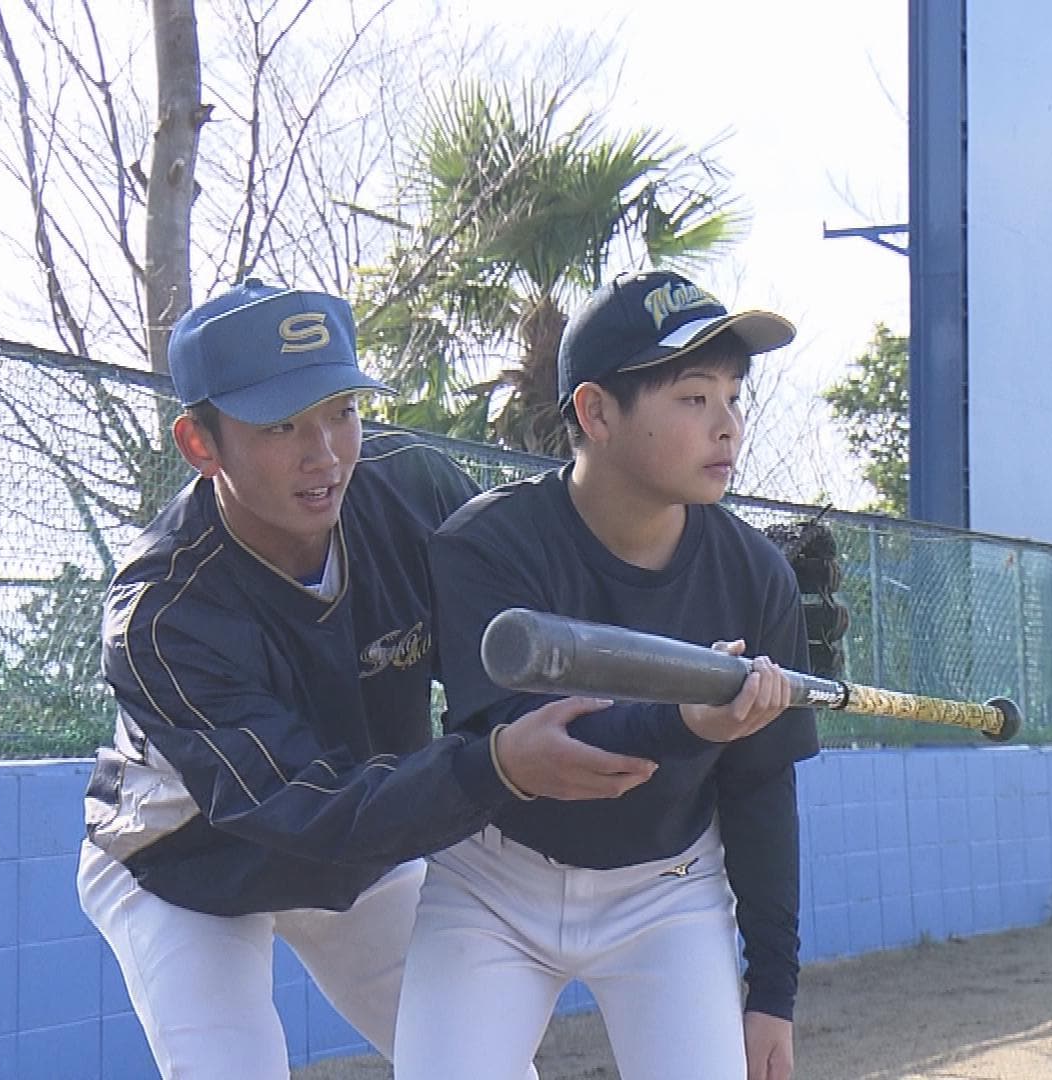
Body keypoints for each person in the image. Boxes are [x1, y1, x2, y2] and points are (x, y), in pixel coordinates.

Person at [76, 280, 657, 1080]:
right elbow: (300, 806)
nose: (323, 454)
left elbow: (533, 633)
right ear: (200, 443)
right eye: (280, 424)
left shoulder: (411, 487)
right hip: (188, 864)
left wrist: (694, 601)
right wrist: (496, 767)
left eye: (341, 410)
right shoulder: (163, 610)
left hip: (363, 845)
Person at [395, 270, 820, 1080]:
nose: (727, 425)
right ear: (595, 411)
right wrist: (691, 717)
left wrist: (772, 991)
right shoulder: (488, 546)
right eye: (694, 399)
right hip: (495, 883)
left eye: (734, 397)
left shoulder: (757, 574)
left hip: (667, 890)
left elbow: (762, 787)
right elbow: (545, 750)